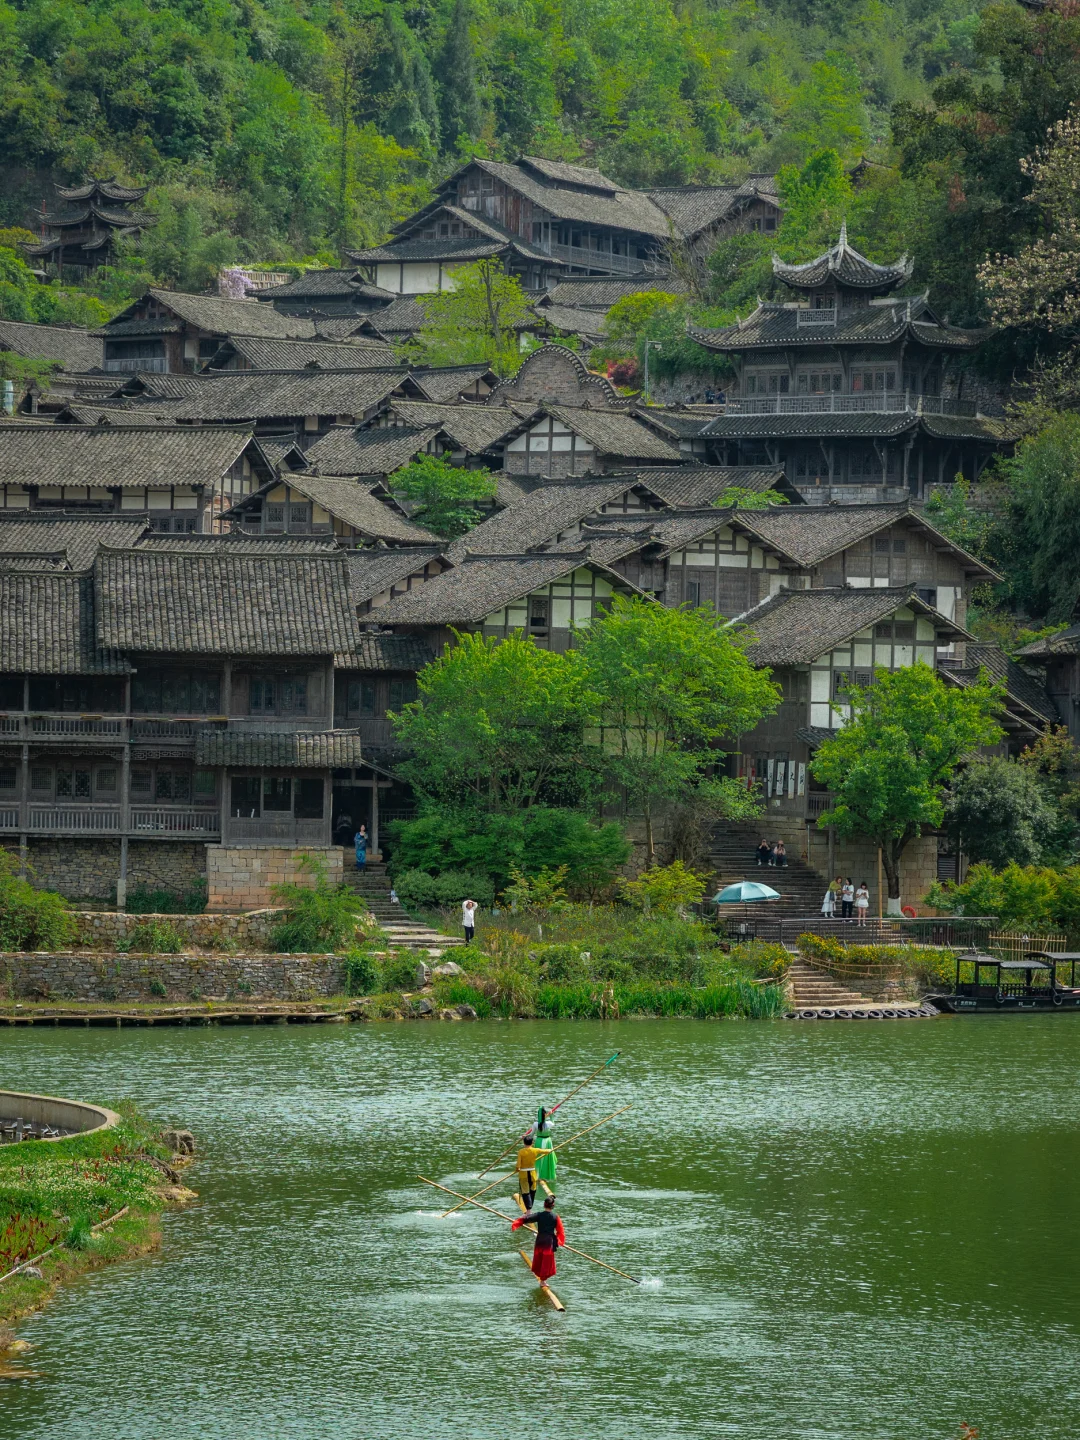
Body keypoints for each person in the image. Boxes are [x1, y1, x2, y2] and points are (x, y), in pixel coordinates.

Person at [511, 1195, 565, 1284]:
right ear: (553, 1206)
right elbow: (560, 1231)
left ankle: (542, 1280)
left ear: (544, 1205)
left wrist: (516, 1223)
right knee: (546, 1262)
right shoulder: (555, 1217)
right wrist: (560, 1241)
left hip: (540, 1240)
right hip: (548, 1242)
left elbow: (526, 1219)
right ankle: (543, 1281)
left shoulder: (539, 1215)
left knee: (539, 1259)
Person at [516, 1134, 542, 1211]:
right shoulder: (535, 1150)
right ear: (532, 1143)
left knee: (525, 1192)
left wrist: (517, 1169)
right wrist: (550, 1150)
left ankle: (528, 1210)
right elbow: (547, 1151)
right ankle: (530, 1208)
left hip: (523, 1174)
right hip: (532, 1174)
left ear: (524, 1143)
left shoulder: (521, 1151)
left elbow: (518, 1165)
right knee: (532, 1190)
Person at [534, 1105, 557, 1191]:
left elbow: (531, 1135)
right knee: (547, 1158)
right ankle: (545, 1176)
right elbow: (553, 1122)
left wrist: (524, 1137)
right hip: (547, 1141)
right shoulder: (549, 1124)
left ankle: (538, 1175)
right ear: (545, 1115)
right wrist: (551, 1115)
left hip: (539, 1141)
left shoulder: (535, 1124)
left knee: (539, 1159)